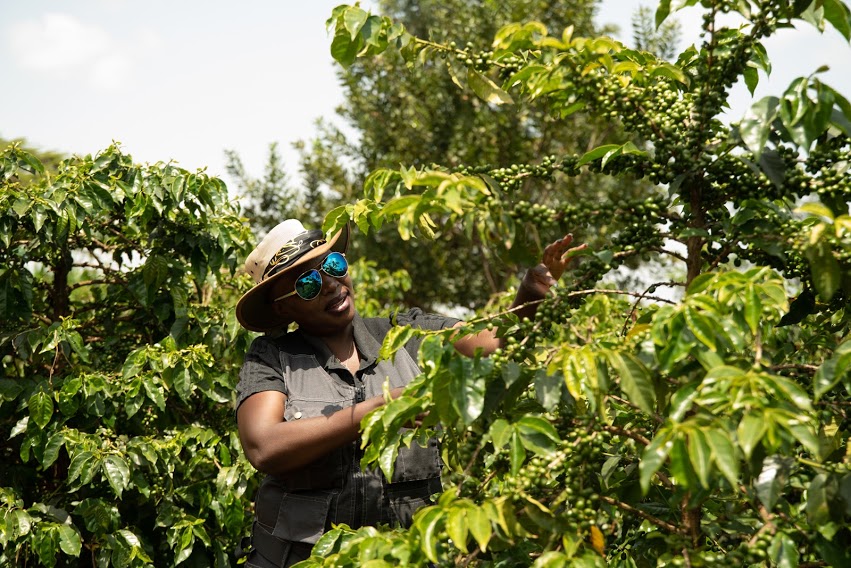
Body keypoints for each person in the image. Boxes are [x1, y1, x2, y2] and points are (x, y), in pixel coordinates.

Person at [234, 218, 584, 567]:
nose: (330, 285)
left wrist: (532, 293)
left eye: (333, 266)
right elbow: (264, 446)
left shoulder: (408, 333)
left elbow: (491, 343)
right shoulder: (272, 357)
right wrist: (381, 409)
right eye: (308, 283)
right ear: (282, 307)